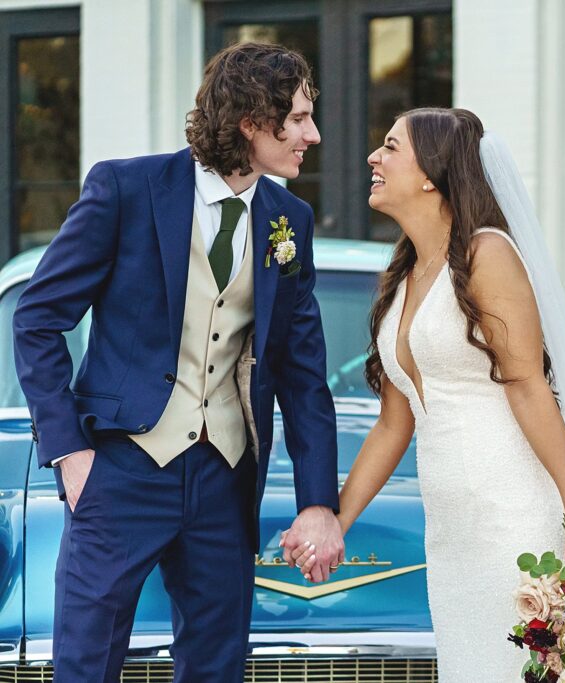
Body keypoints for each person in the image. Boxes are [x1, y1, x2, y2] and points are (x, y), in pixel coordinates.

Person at [289, 108, 565, 681]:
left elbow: (528, 386)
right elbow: (393, 424)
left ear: (432, 172)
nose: (373, 159)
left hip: (514, 512)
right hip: (451, 530)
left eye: (390, 148)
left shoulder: (487, 255)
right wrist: (336, 522)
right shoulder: (404, 274)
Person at [12, 42, 343, 682]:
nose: (313, 134)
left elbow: (304, 374)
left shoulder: (288, 220)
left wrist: (317, 500)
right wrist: (70, 451)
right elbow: (37, 317)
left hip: (224, 476)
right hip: (120, 469)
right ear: (252, 122)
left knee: (218, 667)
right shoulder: (126, 189)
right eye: (298, 119)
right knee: (86, 664)